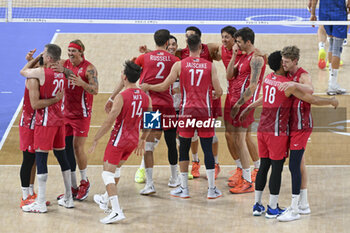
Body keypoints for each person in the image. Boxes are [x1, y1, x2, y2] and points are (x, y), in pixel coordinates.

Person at [241, 51, 338, 219]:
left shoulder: (268, 79)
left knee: (263, 167)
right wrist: (331, 101)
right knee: (277, 169)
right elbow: (312, 98)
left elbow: (266, 97)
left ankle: (257, 205)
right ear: (281, 64)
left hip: (262, 130)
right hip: (277, 133)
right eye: (283, 62)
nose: (285, 64)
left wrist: (249, 107)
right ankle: (272, 208)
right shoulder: (287, 85)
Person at [141, 34, 223, 199]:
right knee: (207, 149)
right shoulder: (209, 66)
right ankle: (212, 189)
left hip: (185, 112)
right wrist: (211, 94)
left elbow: (165, 85)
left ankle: (184, 189)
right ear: (200, 47)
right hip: (204, 113)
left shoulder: (179, 65)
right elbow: (219, 91)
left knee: (183, 149)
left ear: (187, 47)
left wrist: (148, 86)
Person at [89, 61, 151, 224]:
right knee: (115, 170)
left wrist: (96, 138)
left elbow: (109, 121)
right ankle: (104, 199)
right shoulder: (145, 97)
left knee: (107, 173)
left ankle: (116, 211)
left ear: (124, 77)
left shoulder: (122, 97)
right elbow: (152, 120)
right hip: (133, 140)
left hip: (119, 140)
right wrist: (143, 139)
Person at [20, 44, 73, 213]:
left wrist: (33, 60)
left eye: (44, 54)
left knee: (40, 159)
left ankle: (40, 202)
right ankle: (69, 198)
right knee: (62, 157)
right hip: (59, 121)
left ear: (48, 58)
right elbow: (70, 75)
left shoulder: (42, 73)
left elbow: (24, 72)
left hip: (45, 122)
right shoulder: (63, 73)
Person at [135, 29, 180, 194]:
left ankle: (150, 184)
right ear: (167, 43)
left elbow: (131, 71)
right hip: (168, 106)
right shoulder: (175, 60)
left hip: (150, 106)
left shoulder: (144, 58)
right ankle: (175, 179)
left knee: (148, 145)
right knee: (171, 143)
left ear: (155, 41)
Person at [53, 39, 98, 201]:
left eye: (74, 51)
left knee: (78, 148)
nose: (70, 54)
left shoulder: (89, 69)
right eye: (69, 51)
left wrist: (81, 83)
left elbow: (95, 90)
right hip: (65, 114)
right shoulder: (65, 63)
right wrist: (31, 61)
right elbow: (48, 62)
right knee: (66, 149)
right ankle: (72, 187)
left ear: (81, 52)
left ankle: (84, 181)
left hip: (81, 115)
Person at [226, 27, 266, 194]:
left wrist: (239, 104)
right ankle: (250, 172)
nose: (237, 44)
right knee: (237, 139)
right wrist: (235, 54)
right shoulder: (243, 56)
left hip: (244, 104)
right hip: (235, 100)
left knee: (240, 140)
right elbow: (229, 76)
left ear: (248, 42)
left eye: (239, 42)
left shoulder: (256, 59)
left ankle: (248, 181)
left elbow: (253, 85)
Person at [310, 0, 349, 95]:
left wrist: (313, 13)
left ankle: (332, 82)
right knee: (337, 48)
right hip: (339, 13)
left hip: (324, 13)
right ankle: (332, 85)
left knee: (331, 44)